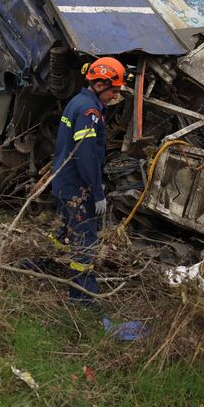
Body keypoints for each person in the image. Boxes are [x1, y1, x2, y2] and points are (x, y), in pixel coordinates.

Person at [50, 57, 126, 303]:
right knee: (86, 243)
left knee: (61, 234)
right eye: (114, 90)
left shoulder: (78, 102)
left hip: (64, 183)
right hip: (76, 189)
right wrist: (97, 192)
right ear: (101, 84)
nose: (115, 97)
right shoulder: (88, 111)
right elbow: (85, 155)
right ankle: (82, 298)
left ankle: (34, 266)